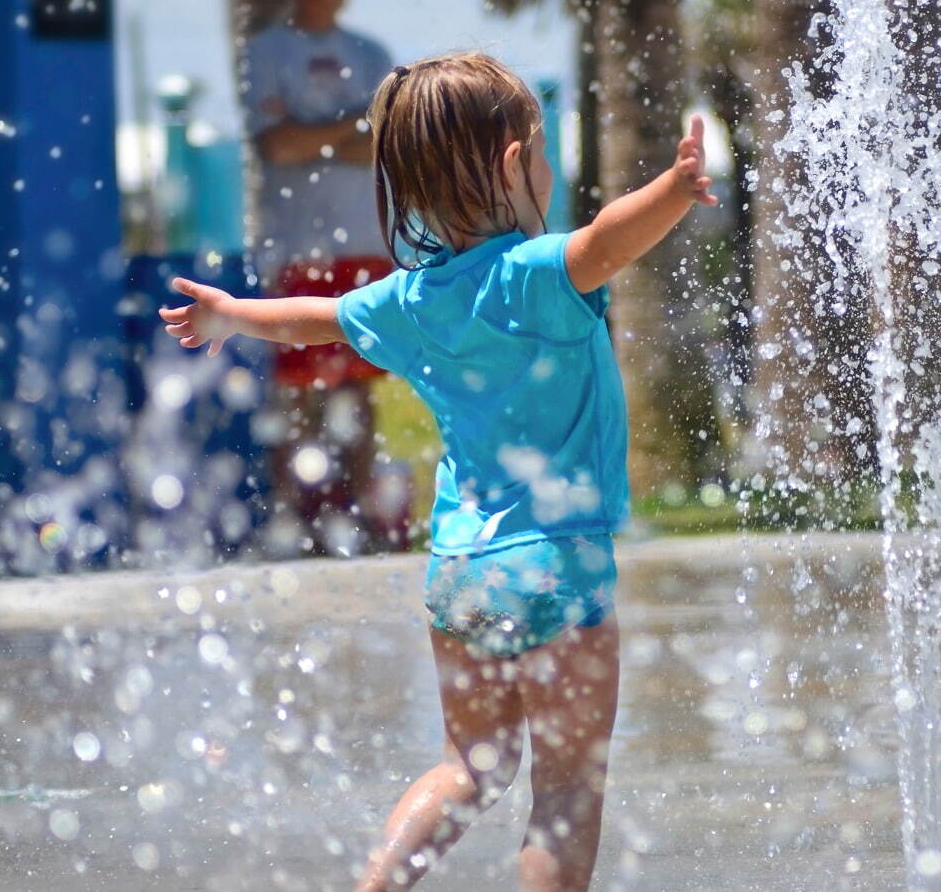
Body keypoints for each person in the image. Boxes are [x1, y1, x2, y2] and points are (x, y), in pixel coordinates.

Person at [160, 51, 718, 889]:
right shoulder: (535, 275)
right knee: (563, 788)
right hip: (555, 568)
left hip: (458, 574)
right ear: (513, 163)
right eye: (539, 150)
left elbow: (316, 320)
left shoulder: (409, 299)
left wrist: (229, 313)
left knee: (470, 765)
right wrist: (673, 191)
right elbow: (609, 238)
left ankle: (377, 882)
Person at [242, 0, 395, 552]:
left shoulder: (371, 50)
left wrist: (317, 136)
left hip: (363, 243)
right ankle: (296, 525)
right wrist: (345, 132)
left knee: (357, 389)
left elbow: (383, 144)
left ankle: (359, 518)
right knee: (298, 389)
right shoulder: (269, 51)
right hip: (298, 247)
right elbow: (276, 144)